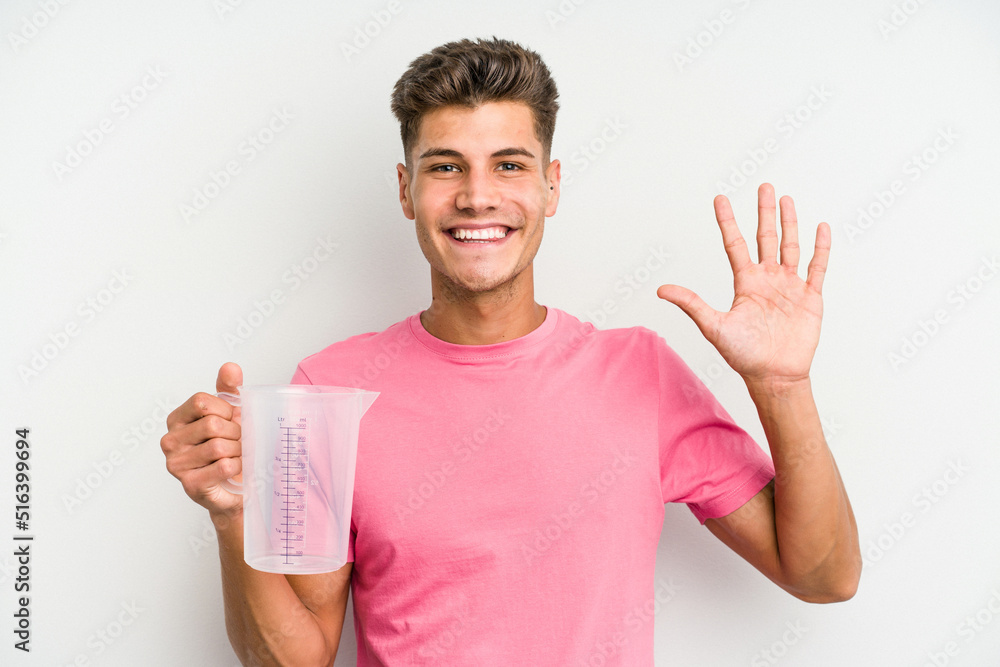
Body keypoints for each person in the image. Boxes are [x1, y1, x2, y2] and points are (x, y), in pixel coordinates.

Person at [161, 37, 861, 666]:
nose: (476, 195)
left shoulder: (641, 373)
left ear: (550, 186)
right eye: (445, 167)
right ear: (406, 190)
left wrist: (782, 385)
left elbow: (825, 575)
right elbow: (294, 660)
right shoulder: (327, 392)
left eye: (508, 164)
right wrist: (234, 514)